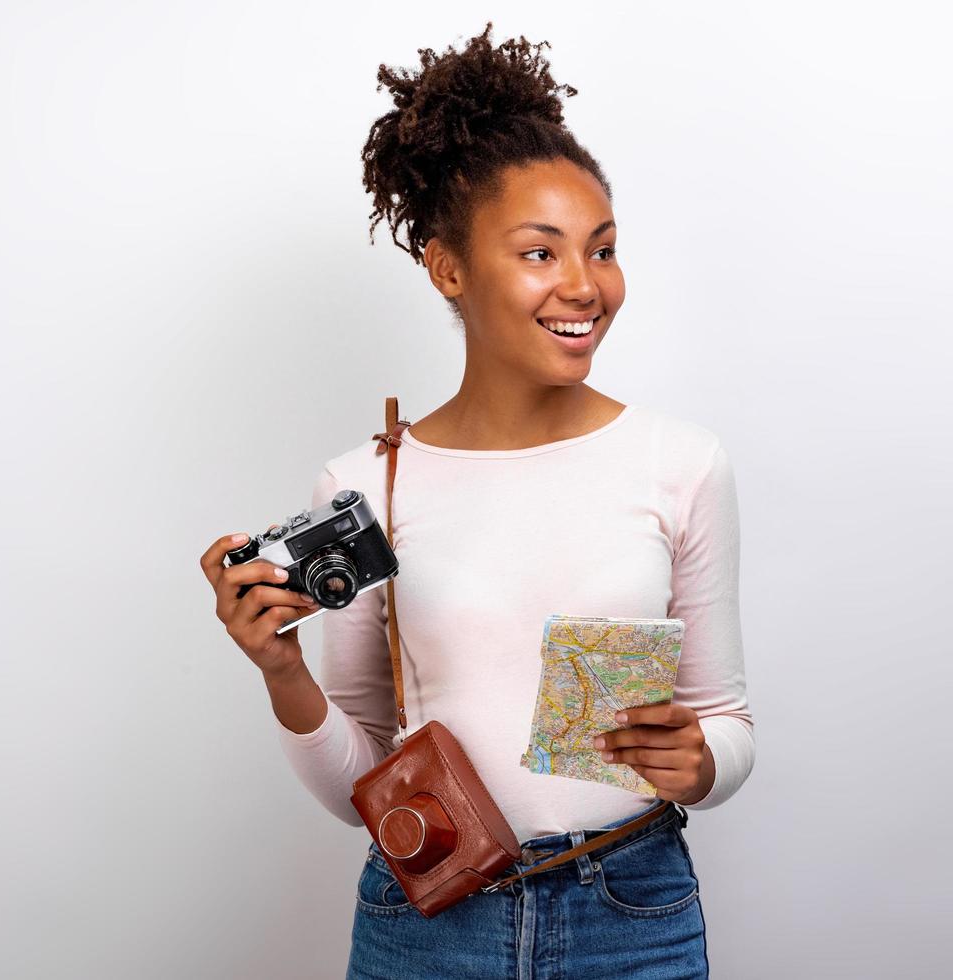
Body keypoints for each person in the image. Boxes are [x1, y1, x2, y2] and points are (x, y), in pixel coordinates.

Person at [198, 22, 753, 979]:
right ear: (447, 266)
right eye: (540, 253)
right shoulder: (365, 483)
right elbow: (363, 784)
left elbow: (726, 720)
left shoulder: (681, 462)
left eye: (602, 249)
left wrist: (704, 764)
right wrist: (280, 671)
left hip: (633, 908)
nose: (584, 286)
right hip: (428, 919)